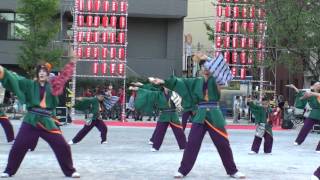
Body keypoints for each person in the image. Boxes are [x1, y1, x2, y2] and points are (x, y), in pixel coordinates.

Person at [149, 52, 245, 179]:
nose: (206, 70)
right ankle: (183, 170)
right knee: (192, 143)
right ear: (200, 70)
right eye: (203, 68)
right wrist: (162, 82)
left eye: (208, 67)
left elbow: (220, 72)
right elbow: (179, 82)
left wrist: (207, 59)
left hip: (214, 115)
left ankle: (232, 170)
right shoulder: (195, 81)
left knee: (223, 144)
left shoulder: (217, 80)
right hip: (200, 115)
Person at [0, 58, 80, 178]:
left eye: (44, 71)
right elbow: (15, 78)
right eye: (40, 71)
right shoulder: (29, 84)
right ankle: (9, 170)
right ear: (37, 74)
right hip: (30, 120)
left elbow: (63, 76)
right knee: (18, 146)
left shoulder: (53, 86)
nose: (42, 73)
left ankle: (70, 171)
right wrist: (3, 71)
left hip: (47, 121)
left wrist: (72, 63)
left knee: (62, 146)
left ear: (47, 74)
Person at [130, 83, 186, 152]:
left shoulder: (174, 94)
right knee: (159, 131)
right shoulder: (159, 94)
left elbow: (181, 102)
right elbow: (149, 92)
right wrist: (139, 89)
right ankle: (155, 147)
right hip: (164, 115)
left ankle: (184, 146)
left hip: (173, 115)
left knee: (179, 131)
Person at [287, 83, 320, 149]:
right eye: (317, 84)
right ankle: (298, 141)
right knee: (305, 127)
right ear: (313, 87)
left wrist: (312, 93)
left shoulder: (312, 93)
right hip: (314, 113)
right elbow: (301, 95)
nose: (319, 86)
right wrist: (294, 88)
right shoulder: (310, 94)